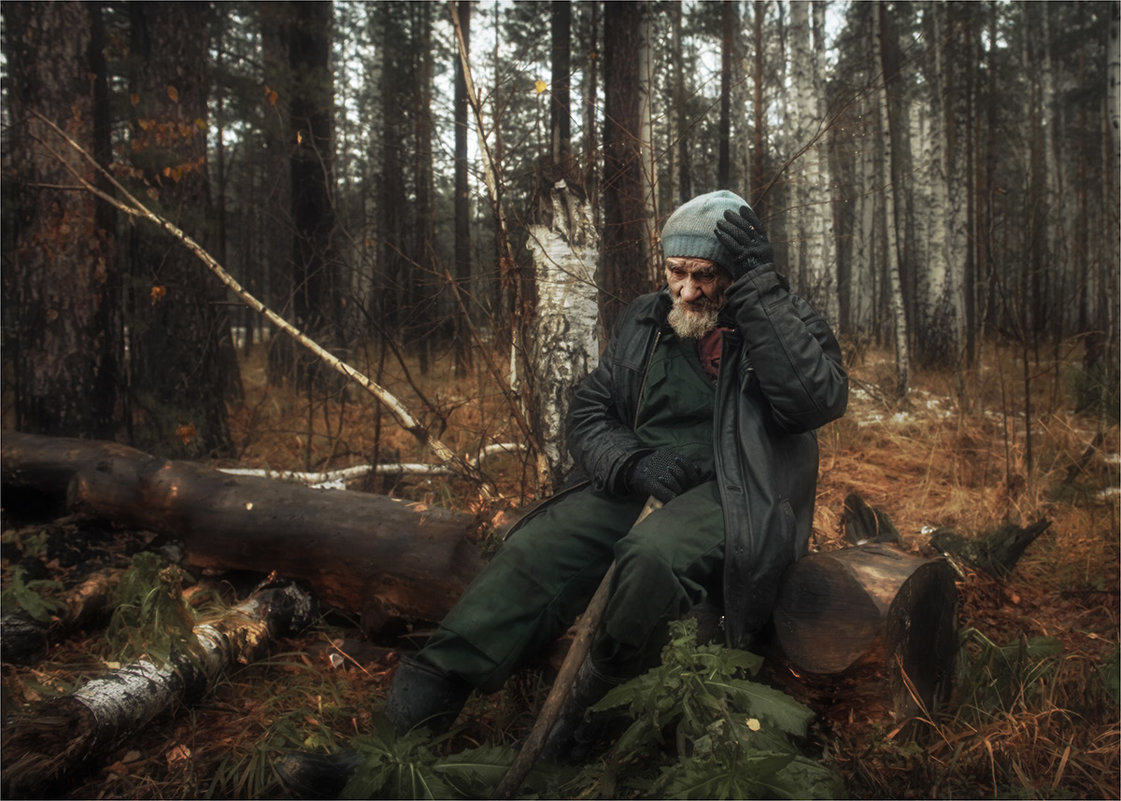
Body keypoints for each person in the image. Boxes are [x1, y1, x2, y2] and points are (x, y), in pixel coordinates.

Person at [276, 190, 848, 796]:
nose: (685, 291)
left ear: (738, 269)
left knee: (650, 558)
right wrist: (630, 464)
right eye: (676, 272)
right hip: (643, 480)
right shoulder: (646, 320)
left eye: (705, 276)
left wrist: (758, 295)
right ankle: (384, 755)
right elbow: (591, 408)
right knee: (530, 553)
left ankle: (578, 735)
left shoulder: (782, 319)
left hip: (737, 496)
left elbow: (816, 401)